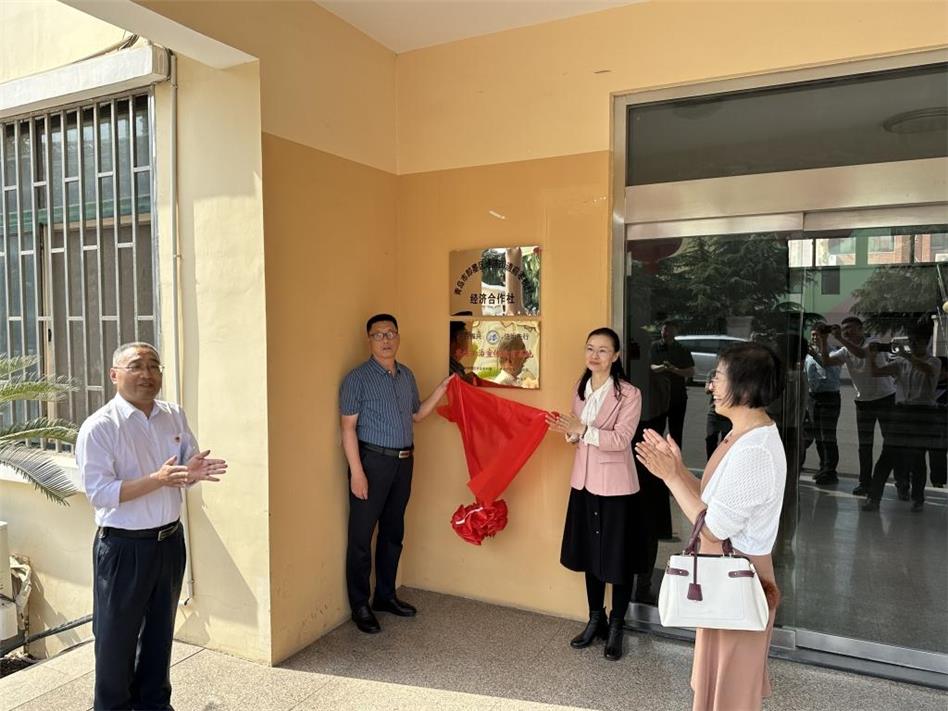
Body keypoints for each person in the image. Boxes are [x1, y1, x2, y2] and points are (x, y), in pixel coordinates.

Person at [635, 342, 786, 711]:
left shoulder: (755, 450)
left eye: (718, 378)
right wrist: (678, 468)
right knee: (716, 686)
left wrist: (670, 477)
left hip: (740, 580)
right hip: (723, 577)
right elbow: (709, 501)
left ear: (746, 387)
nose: (709, 386)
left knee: (731, 694)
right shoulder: (739, 435)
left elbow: (713, 529)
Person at [77, 342, 227, 711]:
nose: (147, 374)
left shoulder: (173, 415)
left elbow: (183, 470)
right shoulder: (100, 427)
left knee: (160, 635)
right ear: (114, 375)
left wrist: (191, 472)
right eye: (136, 366)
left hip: (169, 542)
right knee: (116, 639)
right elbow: (100, 493)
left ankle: (154, 704)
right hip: (123, 548)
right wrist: (157, 480)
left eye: (154, 366)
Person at [340, 314, 450, 633]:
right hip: (372, 462)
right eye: (378, 335)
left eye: (390, 333)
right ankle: (360, 605)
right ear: (369, 340)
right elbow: (347, 429)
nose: (385, 340)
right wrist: (357, 472)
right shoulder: (357, 379)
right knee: (361, 537)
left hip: (403, 463)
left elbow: (417, 414)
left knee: (393, 532)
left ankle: (385, 596)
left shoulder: (406, 376)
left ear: (398, 337)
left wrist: (441, 390)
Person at [546, 327, 646, 662]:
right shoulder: (581, 387)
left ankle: (617, 625)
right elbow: (578, 435)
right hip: (584, 483)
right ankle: (595, 619)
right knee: (590, 554)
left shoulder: (629, 394)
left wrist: (582, 429)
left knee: (619, 557)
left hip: (616, 487)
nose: (595, 355)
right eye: (590, 348)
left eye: (603, 350)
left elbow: (621, 440)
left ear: (615, 356)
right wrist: (569, 433)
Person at [863, 325, 942, 513]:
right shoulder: (900, 362)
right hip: (901, 411)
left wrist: (905, 355)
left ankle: (918, 498)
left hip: (922, 412)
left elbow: (926, 369)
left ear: (926, 343)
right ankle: (874, 498)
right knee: (887, 456)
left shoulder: (934, 361)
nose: (913, 345)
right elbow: (876, 373)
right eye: (911, 342)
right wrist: (871, 357)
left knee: (917, 457)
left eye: (917, 342)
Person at [817, 317, 897, 496]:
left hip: (885, 398)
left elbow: (862, 354)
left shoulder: (872, 342)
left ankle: (901, 481)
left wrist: (840, 338)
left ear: (861, 329)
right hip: (863, 402)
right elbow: (826, 362)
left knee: (891, 442)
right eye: (844, 329)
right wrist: (823, 340)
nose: (847, 332)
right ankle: (865, 483)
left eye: (851, 328)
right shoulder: (845, 350)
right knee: (865, 445)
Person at [804, 327, 842, 484]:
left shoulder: (833, 353)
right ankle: (823, 467)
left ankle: (830, 471)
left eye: (818, 335)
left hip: (829, 397)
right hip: (813, 397)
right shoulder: (808, 355)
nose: (814, 338)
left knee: (828, 436)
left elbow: (831, 371)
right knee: (818, 436)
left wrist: (816, 356)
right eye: (813, 335)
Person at [648, 320, 695, 447]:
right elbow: (649, 366)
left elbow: (690, 372)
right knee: (655, 431)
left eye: (669, 330)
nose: (666, 333)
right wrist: (662, 367)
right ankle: (653, 456)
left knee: (676, 432)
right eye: (664, 330)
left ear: (675, 332)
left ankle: (675, 456)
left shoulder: (682, 349)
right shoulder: (654, 347)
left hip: (677, 397)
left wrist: (674, 370)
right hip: (658, 396)